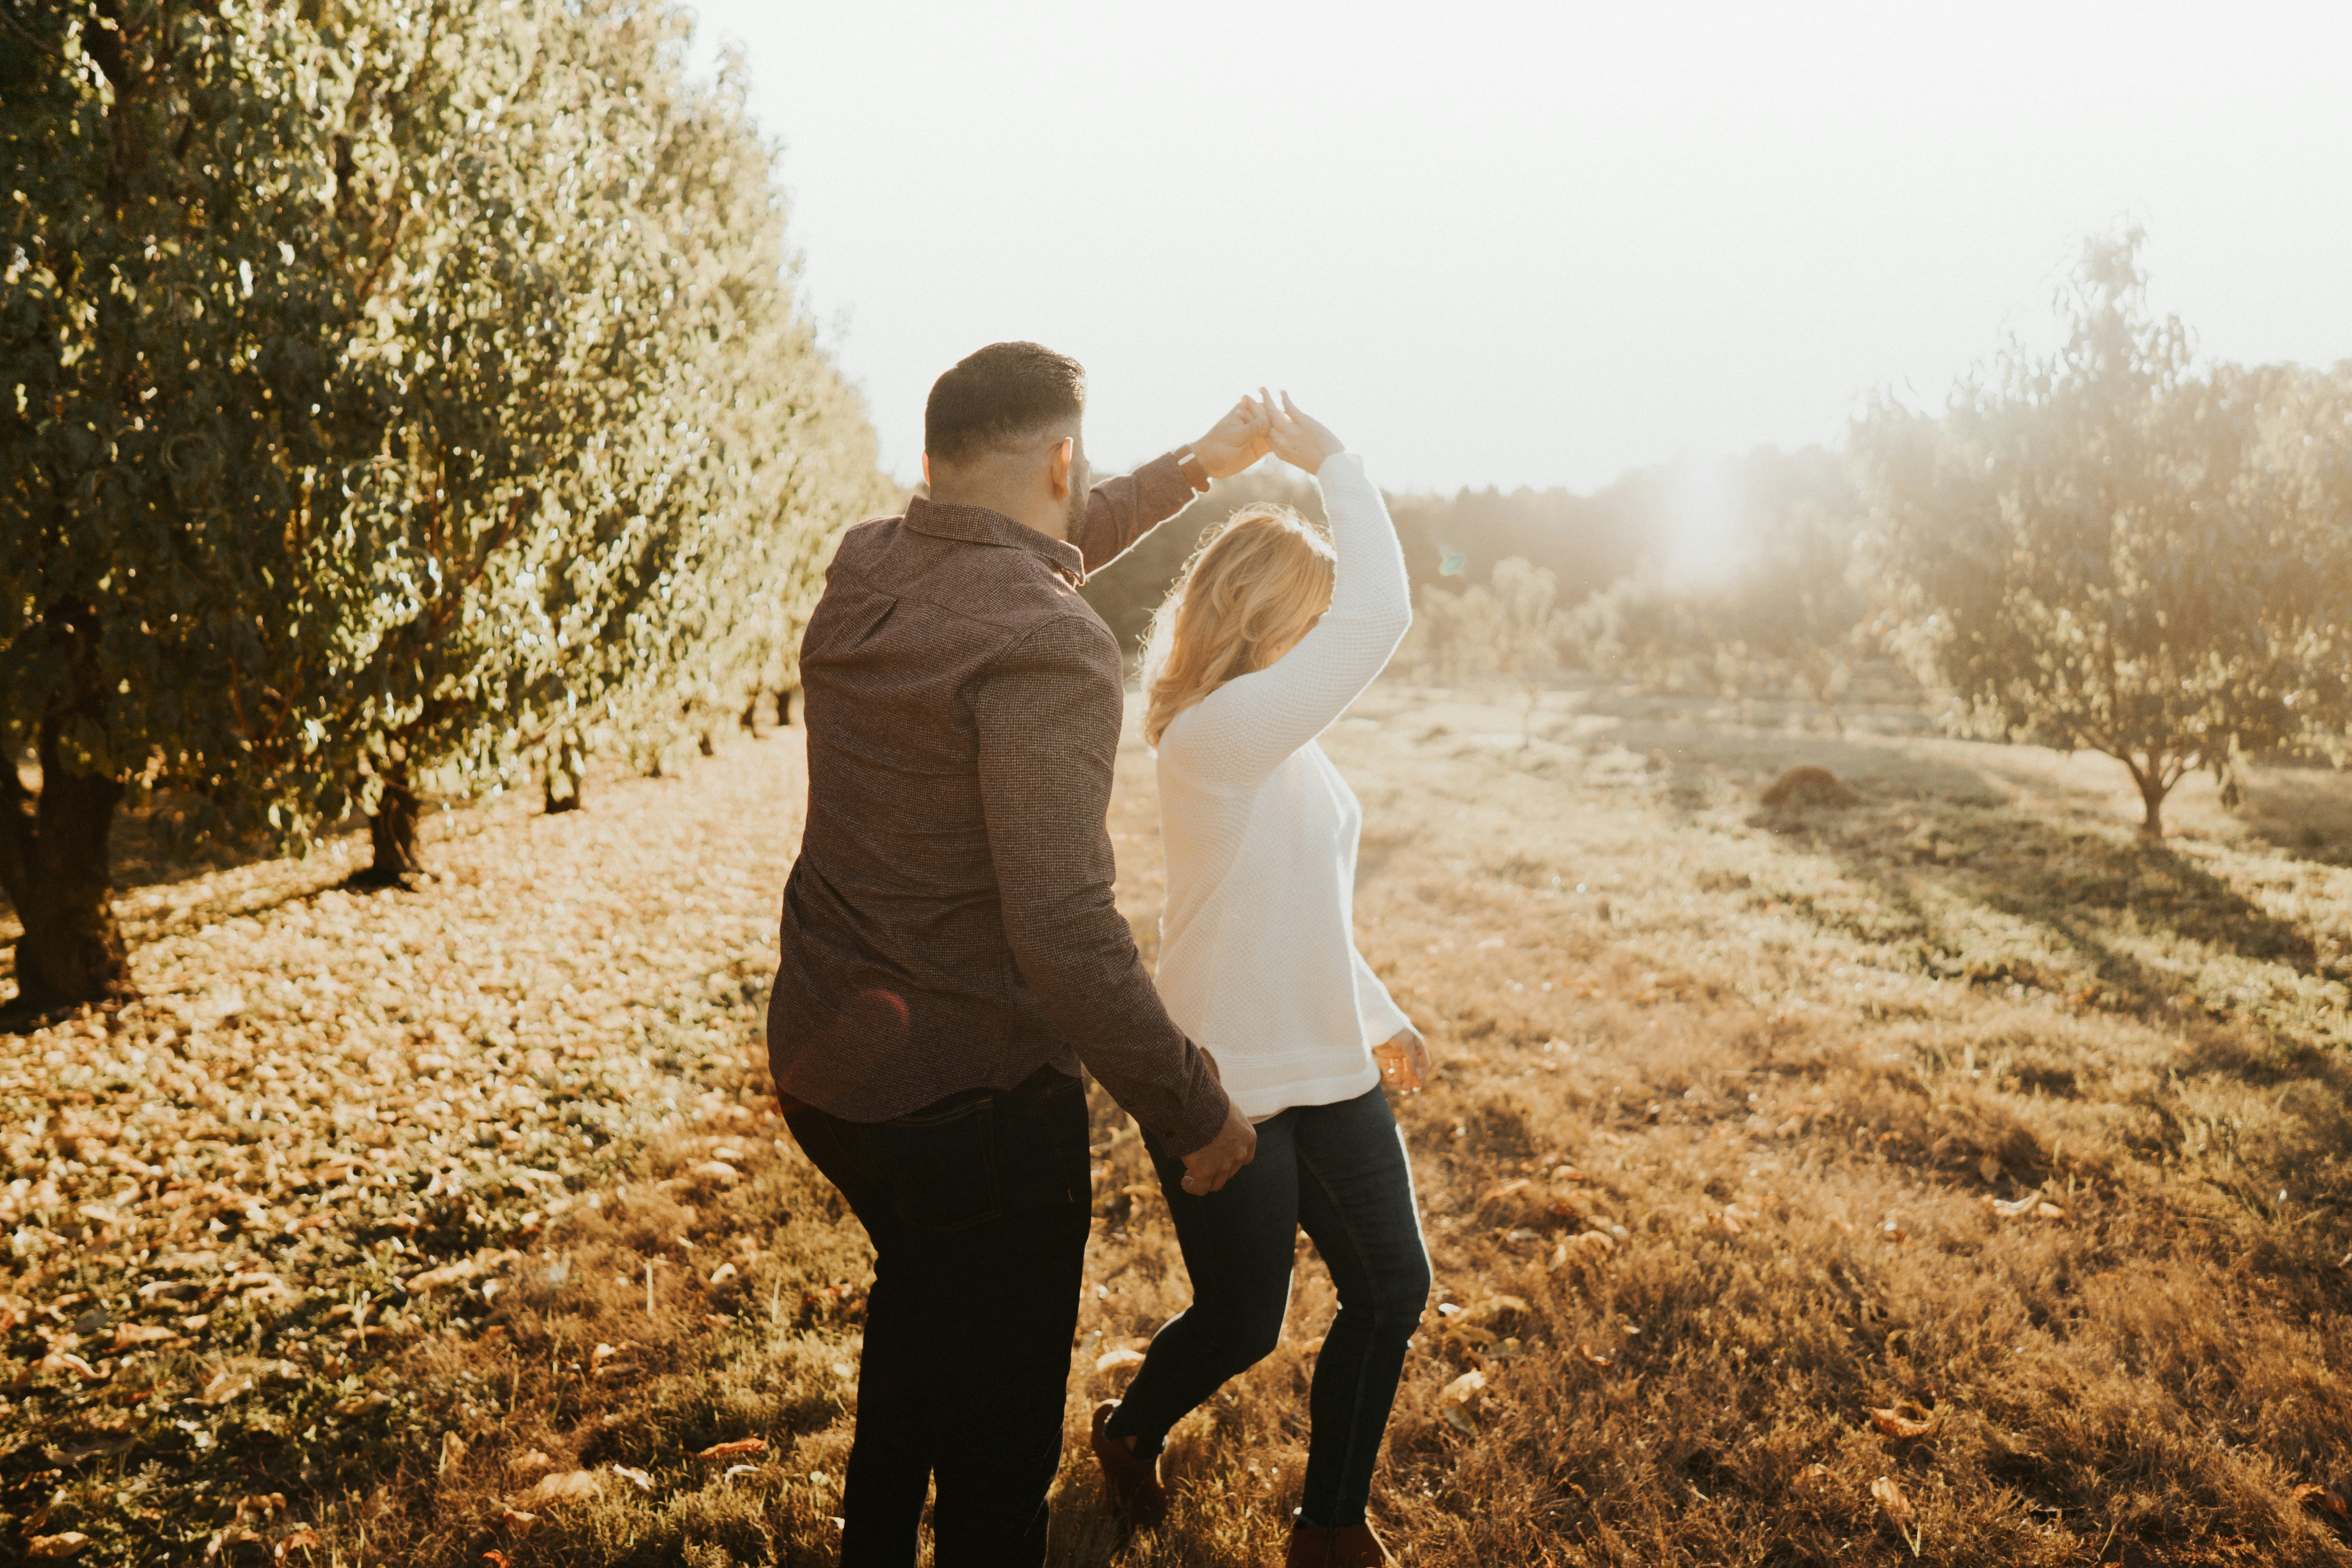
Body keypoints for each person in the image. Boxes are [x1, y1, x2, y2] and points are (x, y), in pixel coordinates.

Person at [766, 340, 1268, 1568]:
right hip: (970, 1112)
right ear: (1060, 460)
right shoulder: (1051, 642)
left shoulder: (867, 563)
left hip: (832, 1074)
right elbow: (1067, 933)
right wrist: (1195, 1108)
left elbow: (1036, 540)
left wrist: (1196, 469)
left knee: (920, 1314)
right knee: (997, 1470)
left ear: (935, 458)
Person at [1088, 392, 1433, 1568]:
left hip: (1327, 1068)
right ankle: (1129, 1430)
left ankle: (1329, 1530)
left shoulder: (1284, 743)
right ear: (1264, 611)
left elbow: (1298, 902)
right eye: (1314, 612)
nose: (1331, 630)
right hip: (1224, 1079)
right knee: (1244, 1323)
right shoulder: (1217, 734)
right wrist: (1331, 459)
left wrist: (1378, 1014)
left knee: (1391, 1290)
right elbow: (1385, 611)